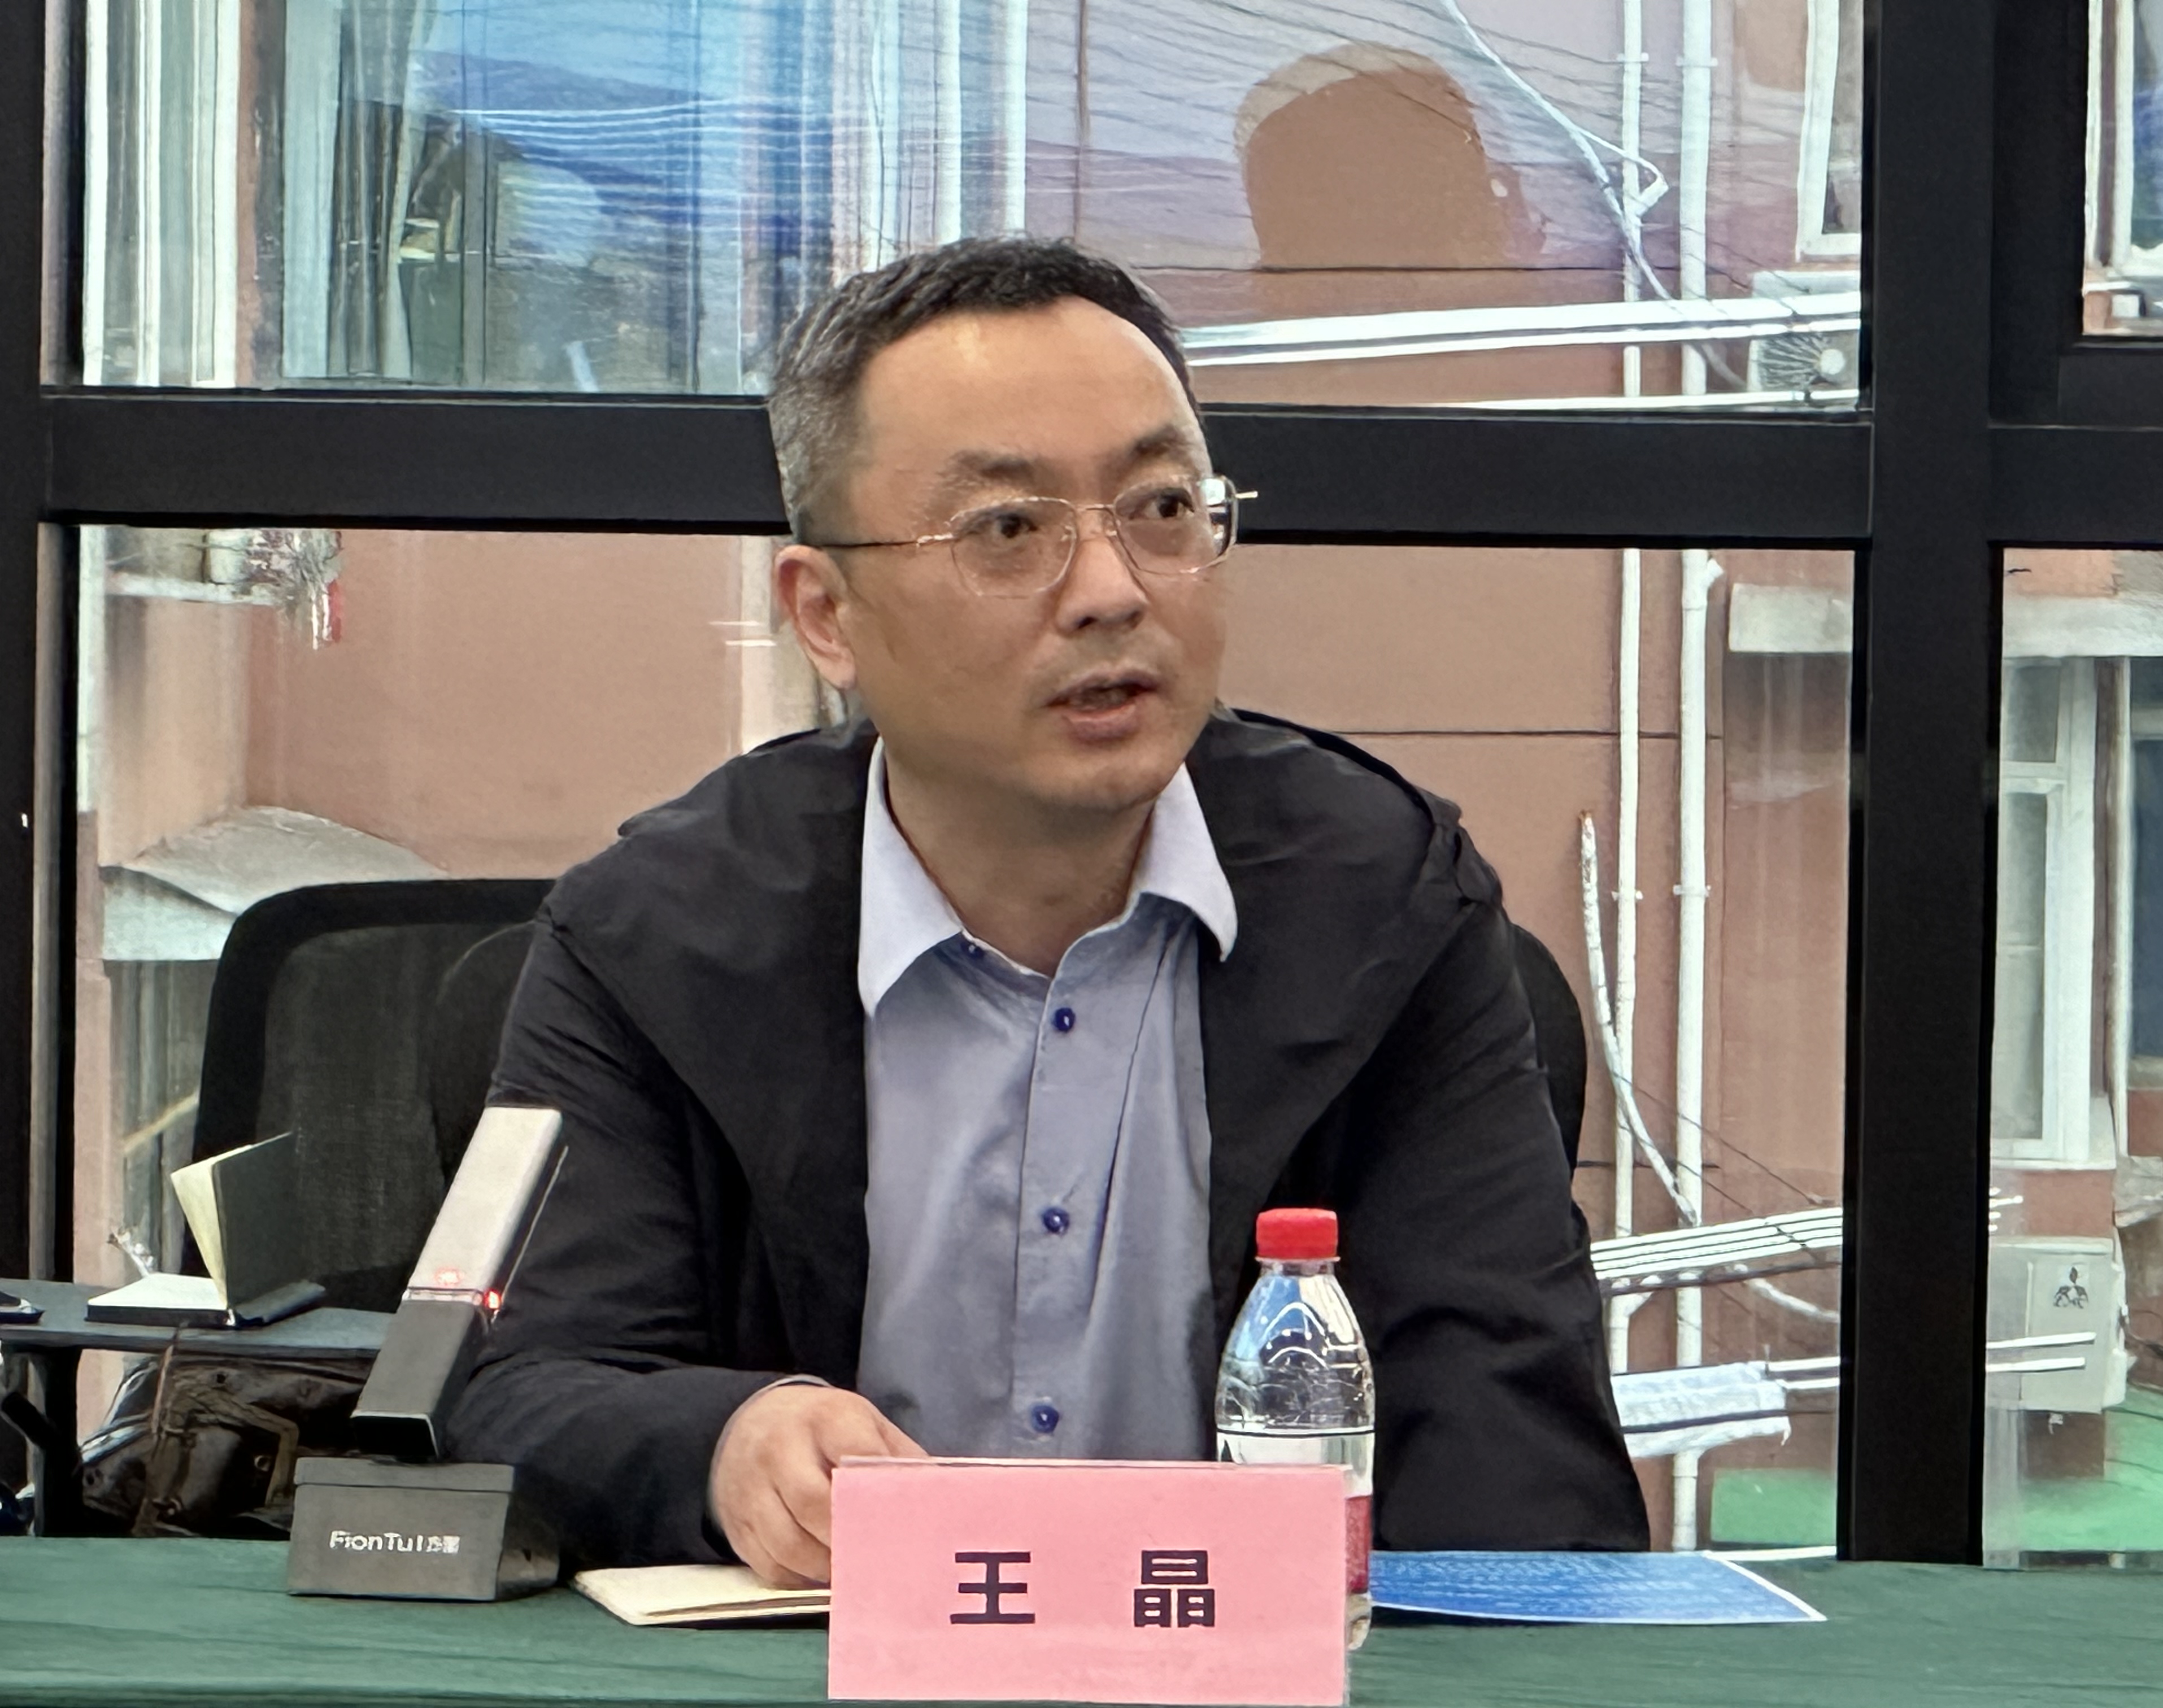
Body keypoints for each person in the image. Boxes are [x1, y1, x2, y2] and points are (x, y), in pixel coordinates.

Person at [448, 237, 1647, 1579]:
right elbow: (517, 1392)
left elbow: (1521, 1469)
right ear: (826, 614)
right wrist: (724, 1445)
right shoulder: (657, 939)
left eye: (1163, 509)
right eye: (1009, 531)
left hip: (1250, 1663)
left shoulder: (1389, 910)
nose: (1113, 592)